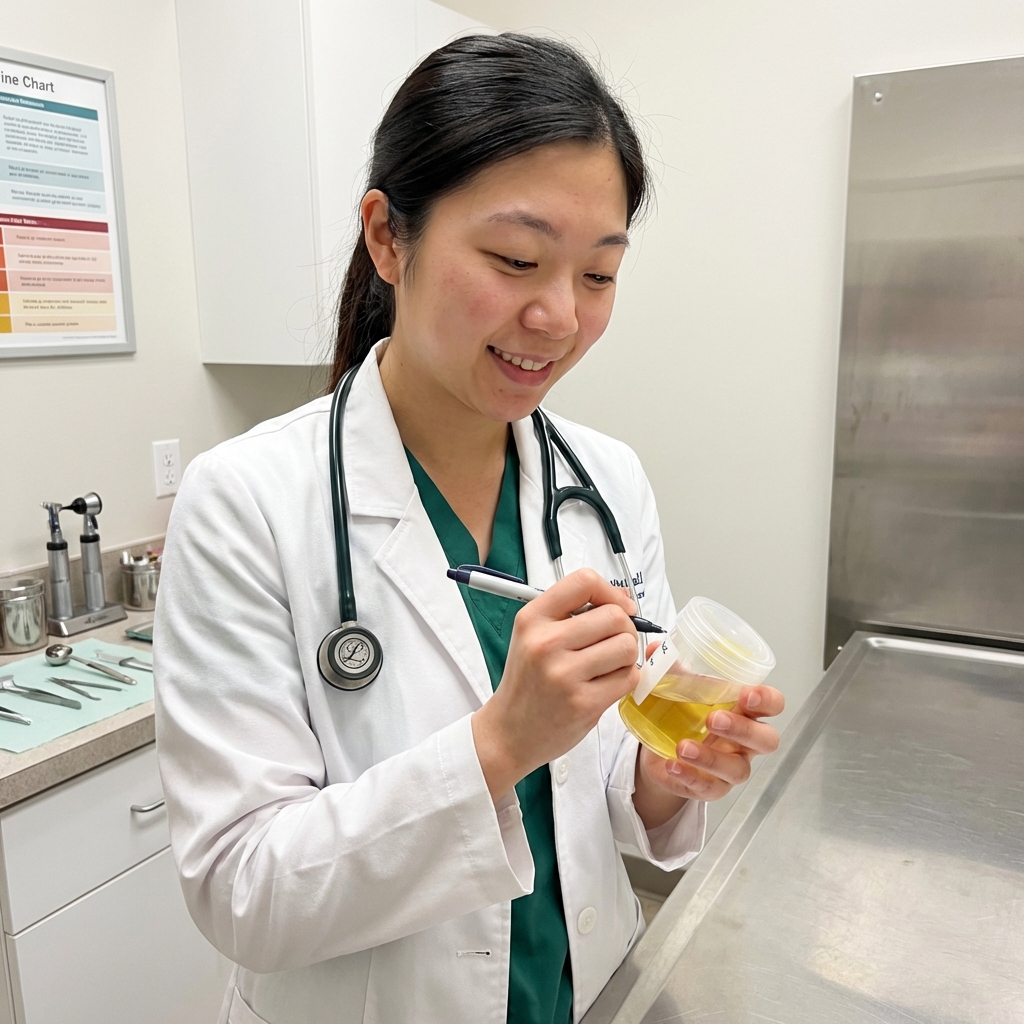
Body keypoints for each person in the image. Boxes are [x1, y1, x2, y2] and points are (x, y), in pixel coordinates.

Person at [154, 33, 784, 1024]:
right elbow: (245, 893)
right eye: (515, 259)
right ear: (387, 237)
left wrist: (666, 774)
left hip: (585, 989)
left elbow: (605, 783)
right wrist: (499, 741)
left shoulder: (605, 484)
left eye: (598, 275)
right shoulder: (245, 500)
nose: (557, 316)